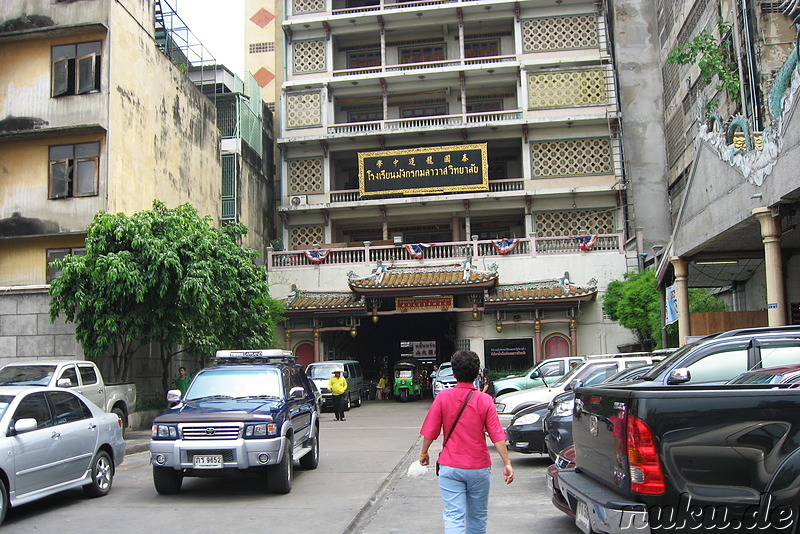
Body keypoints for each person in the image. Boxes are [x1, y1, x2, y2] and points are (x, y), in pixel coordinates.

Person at [419, 350, 513, 533]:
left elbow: (431, 432)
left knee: (453, 517)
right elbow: (497, 435)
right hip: (478, 467)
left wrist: (424, 453)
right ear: (477, 373)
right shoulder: (485, 400)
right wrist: (507, 463)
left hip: (450, 466)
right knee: (477, 517)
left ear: (454, 374)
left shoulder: (442, 398)